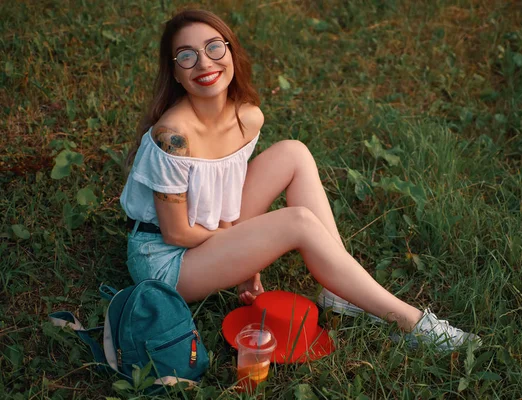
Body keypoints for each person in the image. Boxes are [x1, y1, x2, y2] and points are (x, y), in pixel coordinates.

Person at [120, 9, 480, 351]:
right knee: (297, 223)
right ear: (176, 73)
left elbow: (223, 198)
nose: (204, 63)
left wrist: (245, 257)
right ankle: (412, 324)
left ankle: (339, 291)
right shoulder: (173, 136)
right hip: (167, 263)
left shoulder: (248, 118)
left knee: (293, 152)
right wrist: (245, 251)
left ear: (231, 51)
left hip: (209, 231)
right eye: (187, 56)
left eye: (214, 47)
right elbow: (177, 234)